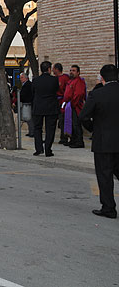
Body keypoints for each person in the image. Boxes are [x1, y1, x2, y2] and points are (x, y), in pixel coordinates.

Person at [80, 64, 119, 219]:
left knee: (105, 175)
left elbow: (83, 116)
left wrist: (94, 130)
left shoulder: (97, 94)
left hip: (103, 141)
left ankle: (109, 207)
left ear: (102, 78)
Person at [31, 61, 59, 157]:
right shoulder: (54, 80)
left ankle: (38, 149)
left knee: (37, 128)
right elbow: (56, 90)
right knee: (50, 129)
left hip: (38, 107)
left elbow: (33, 93)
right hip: (51, 107)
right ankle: (48, 149)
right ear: (49, 69)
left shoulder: (35, 80)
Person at [63, 65, 87, 149]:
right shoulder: (71, 81)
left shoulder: (79, 81)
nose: (71, 72)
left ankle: (79, 141)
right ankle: (73, 140)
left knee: (76, 124)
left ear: (78, 72)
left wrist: (73, 103)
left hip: (75, 106)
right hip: (70, 105)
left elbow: (79, 94)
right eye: (70, 70)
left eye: (73, 70)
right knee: (71, 124)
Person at [53, 63, 71, 144]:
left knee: (62, 119)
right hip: (54, 101)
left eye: (54, 69)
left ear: (57, 69)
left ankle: (64, 137)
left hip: (62, 101)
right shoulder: (53, 79)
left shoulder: (65, 78)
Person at [19, 73, 34, 137]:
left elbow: (25, 94)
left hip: (28, 103)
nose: (20, 79)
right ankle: (30, 131)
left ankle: (32, 132)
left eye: (22, 77)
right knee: (28, 119)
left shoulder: (28, 84)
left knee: (29, 118)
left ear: (26, 78)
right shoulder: (25, 84)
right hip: (26, 103)